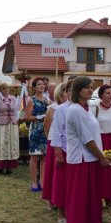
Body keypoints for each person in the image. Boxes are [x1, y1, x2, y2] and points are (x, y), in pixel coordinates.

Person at [65, 76, 110, 223]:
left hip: (90, 158)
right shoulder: (75, 109)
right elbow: (87, 140)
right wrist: (102, 157)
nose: (91, 90)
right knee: (78, 198)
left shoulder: (86, 108)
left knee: (88, 198)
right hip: (81, 159)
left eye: (92, 87)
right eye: (87, 87)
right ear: (78, 90)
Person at [92, 84, 111, 208]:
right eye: (108, 93)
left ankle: (109, 200)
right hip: (99, 141)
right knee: (99, 171)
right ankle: (97, 199)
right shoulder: (94, 108)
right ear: (101, 95)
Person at [42, 83, 67, 213]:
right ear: (60, 93)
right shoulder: (53, 107)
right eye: (66, 92)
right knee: (52, 173)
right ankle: (50, 199)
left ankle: (61, 199)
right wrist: (50, 140)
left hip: (66, 143)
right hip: (54, 142)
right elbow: (46, 126)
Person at [0, 83, 19, 174]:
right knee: (1, 144)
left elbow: (16, 111)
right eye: (4, 88)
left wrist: (16, 121)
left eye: (7, 88)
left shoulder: (13, 98)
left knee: (11, 144)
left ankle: (9, 167)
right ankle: (0, 167)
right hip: (1, 125)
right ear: (0, 90)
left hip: (12, 125)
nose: (6, 90)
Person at [25, 77, 49, 192]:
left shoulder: (47, 100)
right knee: (34, 157)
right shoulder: (31, 100)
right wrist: (38, 117)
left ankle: (42, 181)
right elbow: (27, 117)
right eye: (39, 84)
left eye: (43, 84)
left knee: (44, 157)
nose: (41, 86)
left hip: (44, 130)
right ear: (34, 87)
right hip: (35, 130)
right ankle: (34, 181)